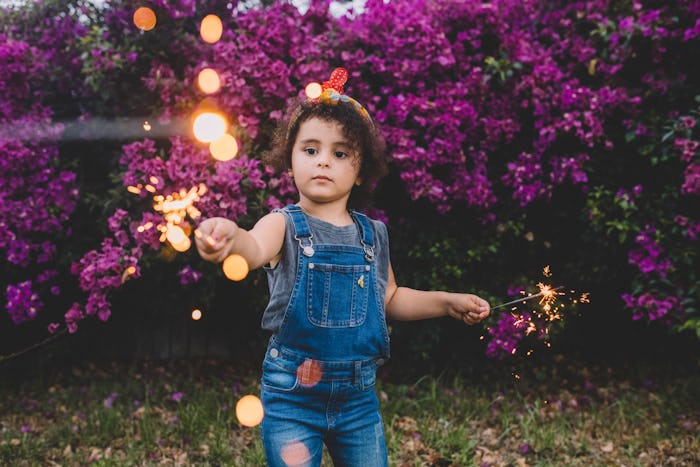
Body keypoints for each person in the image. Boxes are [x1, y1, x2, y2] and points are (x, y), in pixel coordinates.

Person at [195, 67, 490, 466]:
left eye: (340, 153)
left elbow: (390, 298)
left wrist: (446, 302)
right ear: (289, 160)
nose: (323, 162)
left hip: (357, 401)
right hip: (291, 398)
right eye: (310, 149)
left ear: (361, 170)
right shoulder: (282, 223)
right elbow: (253, 247)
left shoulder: (373, 235)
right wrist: (231, 237)